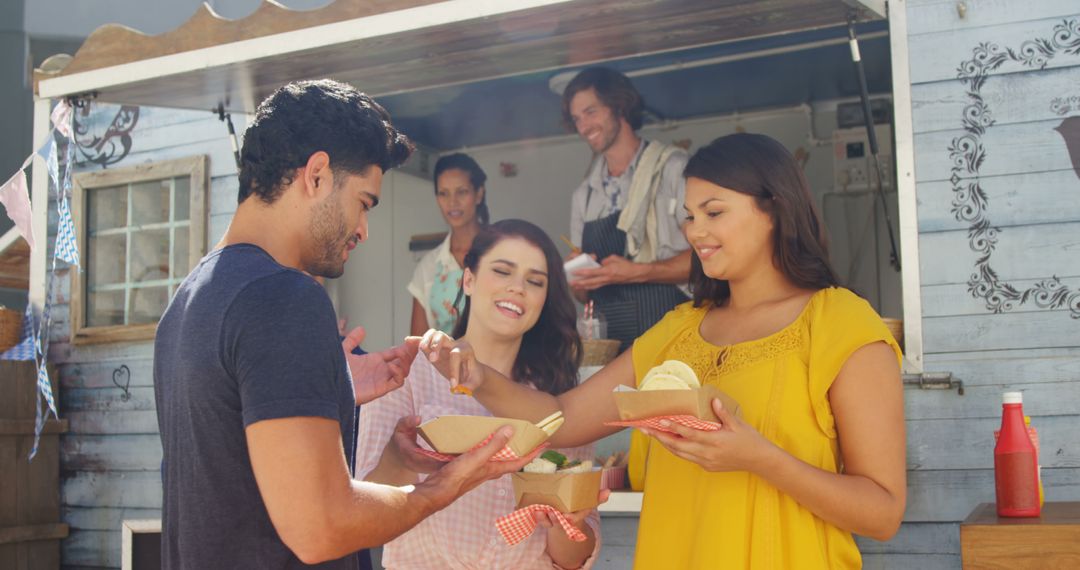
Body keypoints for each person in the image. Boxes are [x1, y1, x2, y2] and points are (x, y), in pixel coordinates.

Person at [418, 133, 907, 568]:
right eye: (690, 216)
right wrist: (478, 376)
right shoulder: (678, 329)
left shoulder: (841, 323)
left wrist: (759, 457)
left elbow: (883, 512)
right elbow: (560, 419)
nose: (694, 232)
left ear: (775, 209)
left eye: (714, 212)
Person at [153, 79, 540, 570]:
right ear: (316, 175)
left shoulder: (187, 301)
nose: (363, 230)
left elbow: (244, 493)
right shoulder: (285, 297)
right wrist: (449, 485)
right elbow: (320, 530)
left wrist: (384, 453)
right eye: (364, 202)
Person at [358, 219, 605, 569]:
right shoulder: (407, 373)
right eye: (503, 272)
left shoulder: (558, 397)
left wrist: (569, 521)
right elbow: (364, 516)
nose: (517, 288)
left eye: (534, 281)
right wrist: (400, 461)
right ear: (468, 279)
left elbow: (573, 560)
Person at [563, 67, 692, 351]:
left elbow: (706, 261)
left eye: (591, 111)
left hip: (675, 335)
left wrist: (636, 271)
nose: (583, 126)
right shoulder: (583, 195)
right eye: (576, 119)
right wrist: (578, 276)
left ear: (618, 105)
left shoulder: (673, 168)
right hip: (612, 348)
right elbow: (584, 297)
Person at [408, 153, 490, 335]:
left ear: (479, 194)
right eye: (443, 193)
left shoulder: (502, 251)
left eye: (461, 192)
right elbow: (418, 346)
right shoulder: (428, 267)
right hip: (445, 364)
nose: (452, 202)